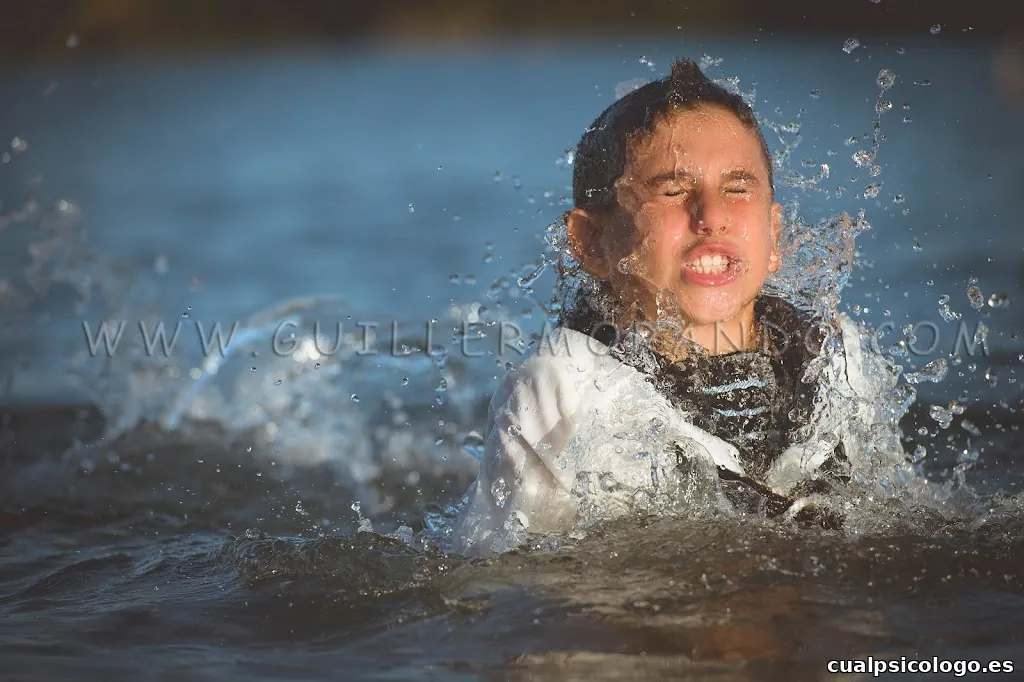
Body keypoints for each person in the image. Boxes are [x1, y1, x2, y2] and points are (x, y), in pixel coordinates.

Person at [452, 57, 912, 556]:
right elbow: (506, 577)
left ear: (773, 235)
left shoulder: (834, 355)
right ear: (590, 242)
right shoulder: (562, 387)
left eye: (737, 188)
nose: (712, 216)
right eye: (673, 190)